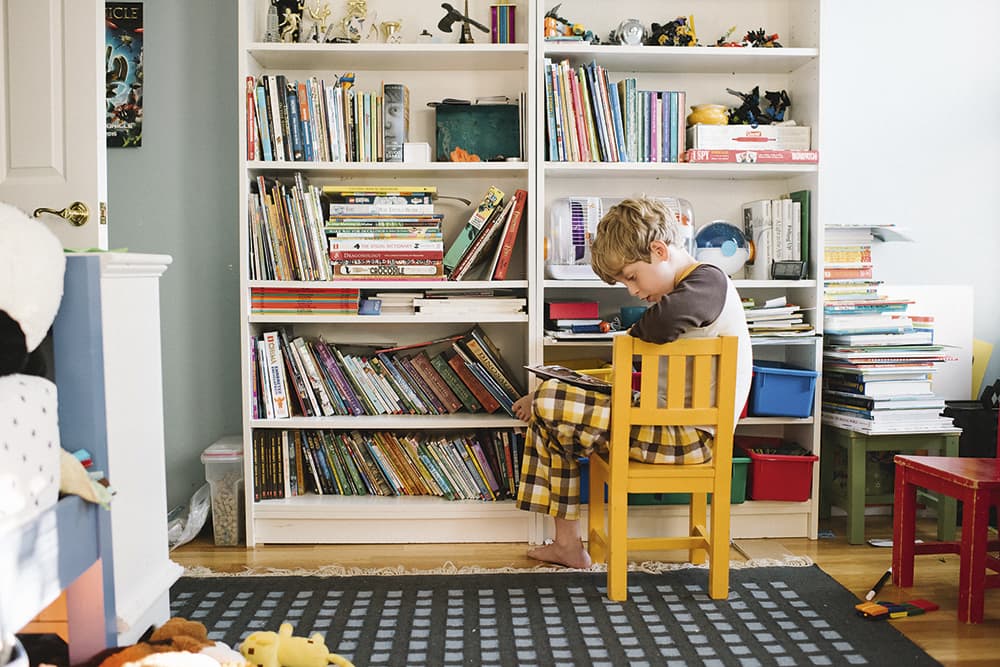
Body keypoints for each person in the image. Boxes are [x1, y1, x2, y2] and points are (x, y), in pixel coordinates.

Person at [513, 196, 753, 568]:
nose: (632, 290)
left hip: (692, 438)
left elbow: (660, 324)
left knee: (548, 402)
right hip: (663, 423)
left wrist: (631, 334)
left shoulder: (709, 279)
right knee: (550, 408)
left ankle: (566, 542)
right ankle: (566, 544)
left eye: (631, 276)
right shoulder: (690, 287)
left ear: (659, 251)